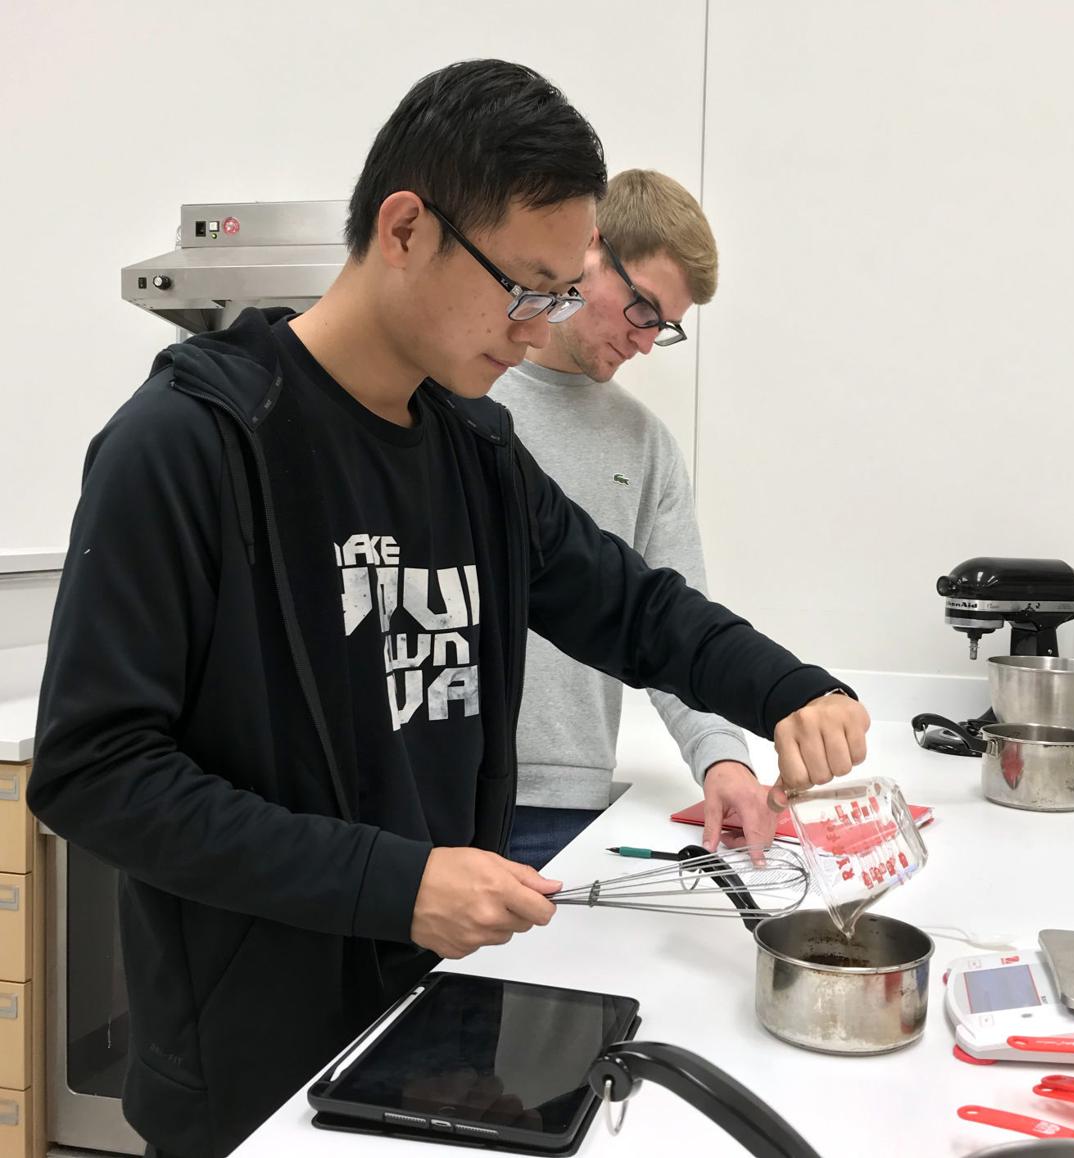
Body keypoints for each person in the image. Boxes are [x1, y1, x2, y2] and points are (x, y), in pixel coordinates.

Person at [29, 59, 869, 1158]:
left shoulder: (473, 450)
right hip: (249, 1067)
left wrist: (787, 687)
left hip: (430, 1020)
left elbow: (634, 608)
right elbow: (95, 774)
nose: (538, 328)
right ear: (407, 227)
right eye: (524, 285)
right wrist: (395, 881)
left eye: (561, 293)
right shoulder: (193, 444)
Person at [492, 169, 773, 869]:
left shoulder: (647, 448)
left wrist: (723, 762)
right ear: (590, 248)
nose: (646, 341)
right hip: (434, 802)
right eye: (643, 308)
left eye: (665, 325)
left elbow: (677, 626)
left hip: (567, 813)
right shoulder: (462, 391)